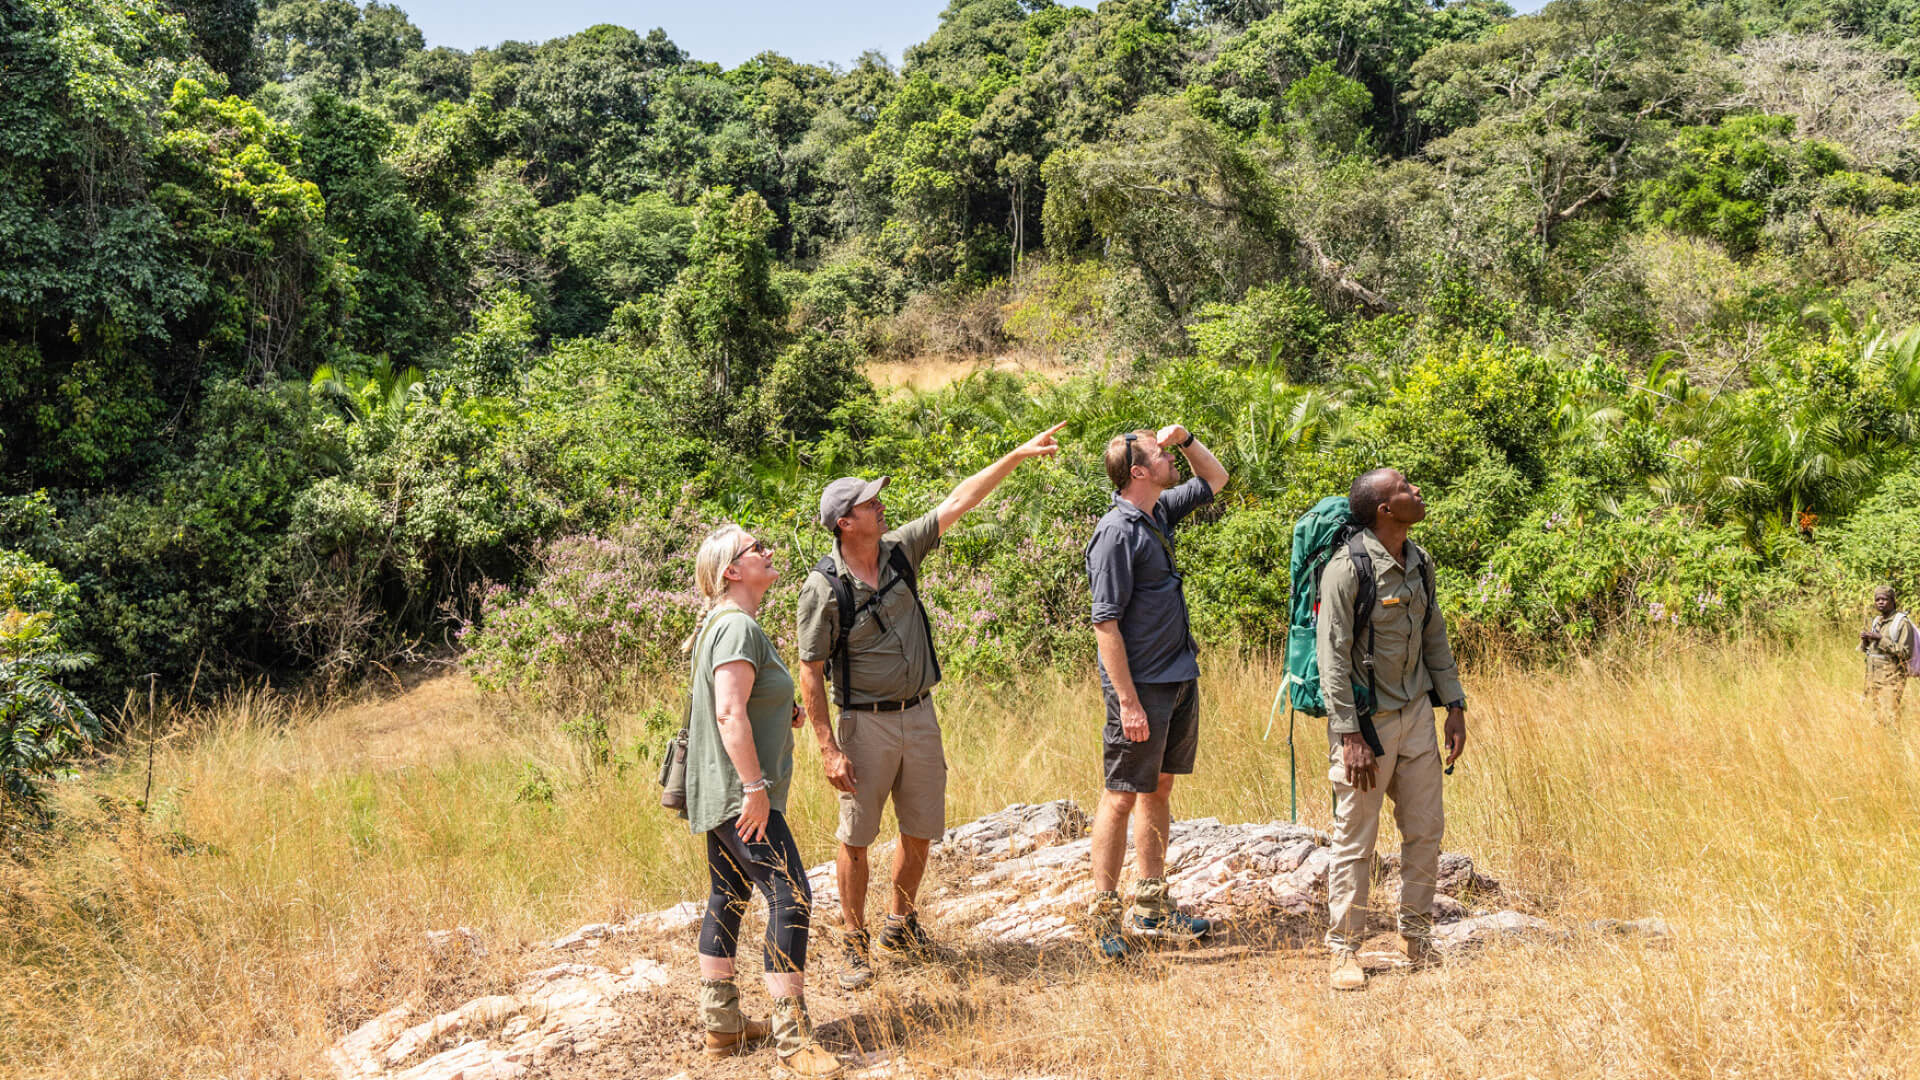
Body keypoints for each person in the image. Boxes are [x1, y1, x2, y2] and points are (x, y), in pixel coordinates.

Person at [798, 423, 1068, 990]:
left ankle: (900, 921)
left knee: (921, 827)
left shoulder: (899, 551)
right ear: (845, 522)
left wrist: (1016, 453)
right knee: (857, 838)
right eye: (870, 503)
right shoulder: (824, 589)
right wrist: (827, 747)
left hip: (920, 715)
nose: (882, 505)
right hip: (863, 726)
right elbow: (811, 672)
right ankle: (853, 940)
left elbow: (958, 500)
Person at [683, 524, 841, 1076]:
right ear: (732, 570)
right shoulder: (734, 629)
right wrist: (754, 790)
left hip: (721, 791)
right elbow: (728, 713)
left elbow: (742, 704)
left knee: (727, 896)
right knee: (791, 896)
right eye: (757, 549)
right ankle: (794, 1041)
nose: (768, 552)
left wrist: (785, 712)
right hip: (740, 794)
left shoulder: (728, 627)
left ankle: (721, 1026)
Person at [1315, 467, 1467, 991]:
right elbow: (1331, 658)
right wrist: (1349, 735)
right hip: (1366, 728)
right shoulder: (1347, 570)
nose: (1417, 491)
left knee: (1425, 832)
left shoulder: (1419, 562)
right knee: (1356, 840)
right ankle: (1344, 950)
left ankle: (1417, 937)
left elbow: (1434, 636)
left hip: (1418, 720)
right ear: (1384, 510)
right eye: (1405, 488)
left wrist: (1453, 705)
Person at [1082, 424, 1229, 962]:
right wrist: (1127, 701)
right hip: (1140, 687)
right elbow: (1105, 625)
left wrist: (1187, 440)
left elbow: (1215, 477)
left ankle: (1151, 906)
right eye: (1160, 454)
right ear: (1138, 471)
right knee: (1121, 793)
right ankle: (1102, 916)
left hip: (1176, 677)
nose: (1170, 458)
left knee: (1159, 788)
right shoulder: (1116, 533)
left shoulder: (1156, 514)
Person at [1860, 585, 1914, 728]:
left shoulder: (1901, 623)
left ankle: (1895, 746)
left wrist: (1880, 639)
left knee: (1890, 718)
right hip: (1873, 679)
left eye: (1884, 599)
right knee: (1875, 719)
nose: (1880, 602)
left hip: (1892, 680)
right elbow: (1870, 652)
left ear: (1892, 601)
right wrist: (1865, 640)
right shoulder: (1876, 621)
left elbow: (1906, 653)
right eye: (1877, 599)